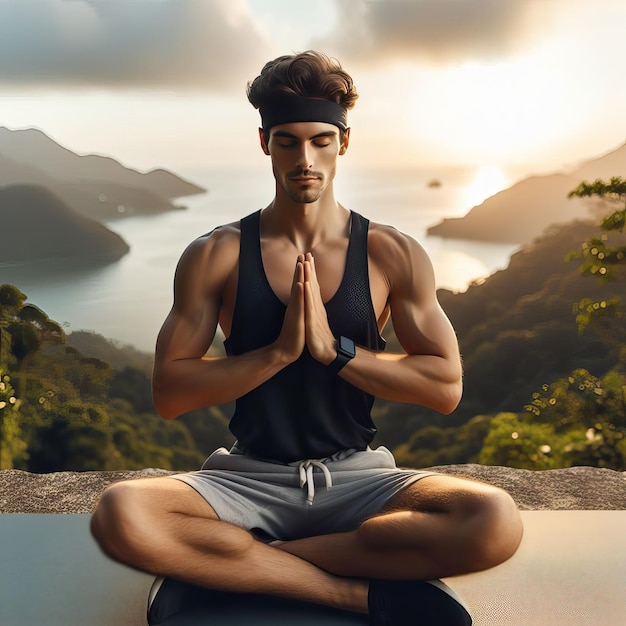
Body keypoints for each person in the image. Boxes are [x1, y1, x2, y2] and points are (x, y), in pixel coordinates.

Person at [90, 51, 523, 625]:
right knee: (119, 513)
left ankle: (244, 567)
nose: (305, 158)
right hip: (246, 479)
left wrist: (334, 353)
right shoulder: (215, 254)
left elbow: (444, 387)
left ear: (343, 142)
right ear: (265, 143)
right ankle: (350, 595)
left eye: (321, 140)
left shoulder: (390, 252)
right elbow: (171, 393)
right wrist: (277, 354)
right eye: (288, 141)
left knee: (494, 520)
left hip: (358, 478)